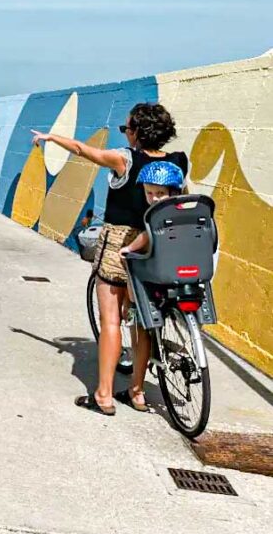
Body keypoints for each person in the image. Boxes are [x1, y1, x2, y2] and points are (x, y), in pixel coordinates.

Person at [31, 102, 187, 416]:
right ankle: (138, 392)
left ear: (138, 132)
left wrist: (50, 138)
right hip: (156, 245)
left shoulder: (124, 159)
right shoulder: (178, 162)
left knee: (112, 319)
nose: (124, 133)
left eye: (126, 128)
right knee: (144, 322)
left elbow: (80, 149)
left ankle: (103, 395)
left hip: (119, 244)